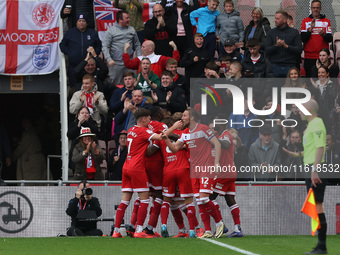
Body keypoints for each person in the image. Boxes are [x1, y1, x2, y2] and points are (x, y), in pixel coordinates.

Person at [163, 108, 225, 238]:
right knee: (199, 201)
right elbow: (174, 149)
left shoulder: (203, 129)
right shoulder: (185, 133)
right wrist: (167, 139)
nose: (182, 118)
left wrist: (217, 163)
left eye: (184, 115)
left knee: (203, 198)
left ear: (192, 117)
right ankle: (207, 230)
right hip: (194, 171)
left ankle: (219, 223)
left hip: (206, 168)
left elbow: (217, 144)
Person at [283, 99, 328, 254]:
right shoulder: (311, 125)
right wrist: (296, 154)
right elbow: (312, 149)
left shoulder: (317, 124)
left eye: (301, 109)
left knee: (318, 206)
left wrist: (315, 169)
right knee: (315, 206)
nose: (299, 111)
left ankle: (322, 246)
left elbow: (321, 148)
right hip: (310, 168)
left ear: (309, 109)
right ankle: (320, 245)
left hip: (315, 169)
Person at [112, 108, 163, 238]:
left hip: (126, 166)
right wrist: (174, 127)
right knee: (144, 200)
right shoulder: (143, 131)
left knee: (125, 201)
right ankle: (139, 231)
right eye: (149, 118)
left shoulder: (131, 130)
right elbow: (160, 137)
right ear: (144, 119)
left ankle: (116, 231)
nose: (151, 121)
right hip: (137, 168)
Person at [209, 115, 243, 238]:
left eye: (215, 124)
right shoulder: (219, 136)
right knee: (230, 200)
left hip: (225, 173)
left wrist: (211, 139)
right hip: (230, 172)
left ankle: (221, 224)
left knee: (209, 197)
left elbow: (226, 144)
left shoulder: (226, 134)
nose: (213, 127)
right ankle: (237, 229)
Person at [59, 13, 102, 89]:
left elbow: (99, 46)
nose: (81, 23)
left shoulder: (93, 33)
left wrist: (94, 54)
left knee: (90, 87)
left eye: (83, 21)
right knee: (75, 88)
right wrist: (70, 53)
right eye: (79, 21)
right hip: (74, 67)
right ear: (76, 22)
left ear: (86, 23)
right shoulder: (70, 33)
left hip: (89, 68)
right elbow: (62, 45)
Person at [102, 10, 141, 85]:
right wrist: (109, 59)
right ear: (120, 20)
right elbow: (105, 46)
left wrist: (139, 58)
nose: (129, 20)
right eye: (127, 18)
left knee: (133, 83)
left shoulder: (132, 29)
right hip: (116, 63)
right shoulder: (111, 31)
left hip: (130, 62)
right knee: (115, 85)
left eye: (129, 18)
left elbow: (137, 45)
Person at [265, 10, 302, 78]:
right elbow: (267, 50)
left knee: (289, 88)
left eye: (278, 18)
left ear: (284, 20)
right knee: (276, 88)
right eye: (275, 18)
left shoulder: (294, 32)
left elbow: (299, 50)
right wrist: (276, 45)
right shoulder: (271, 32)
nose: (275, 20)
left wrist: (286, 46)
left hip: (290, 66)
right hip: (275, 66)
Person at [301, 0, 332, 77]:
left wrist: (323, 35)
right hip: (309, 56)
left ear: (320, 8)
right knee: (310, 79)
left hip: (323, 57)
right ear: (311, 8)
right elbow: (303, 38)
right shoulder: (305, 21)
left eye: (317, 8)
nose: (315, 9)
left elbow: (330, 38)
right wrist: (311, 29)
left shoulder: (326, 21)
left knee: (324, 80)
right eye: (314, 7)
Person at [12, 116, 46, 181]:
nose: (23, 123)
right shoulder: (33, 133)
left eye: (25, 122)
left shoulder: (29, 134)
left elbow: (21, 148)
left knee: (31, 182)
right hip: (35, 162)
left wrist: (12, 157)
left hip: (31, 163)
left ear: (30, 124)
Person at [67, 106, 99, 174]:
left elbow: (97, 132)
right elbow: (70, 135)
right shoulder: (74, 124)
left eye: (86, 113)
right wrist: (79, 124)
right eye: (82, 113)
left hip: (91, 152)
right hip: (77, 151)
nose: (84, 114)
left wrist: (84, 123)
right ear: (78, 115)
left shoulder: (93, 123)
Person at [310, 66, 337, 132]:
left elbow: (331, 98)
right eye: (319, 72)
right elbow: (312, 102)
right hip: (317, 115)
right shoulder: (314, 85)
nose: (320, 74)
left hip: (328, 116)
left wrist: (325, 87)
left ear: (327, 74)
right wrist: (316, 89)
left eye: (323, 72)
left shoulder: (332, 85)